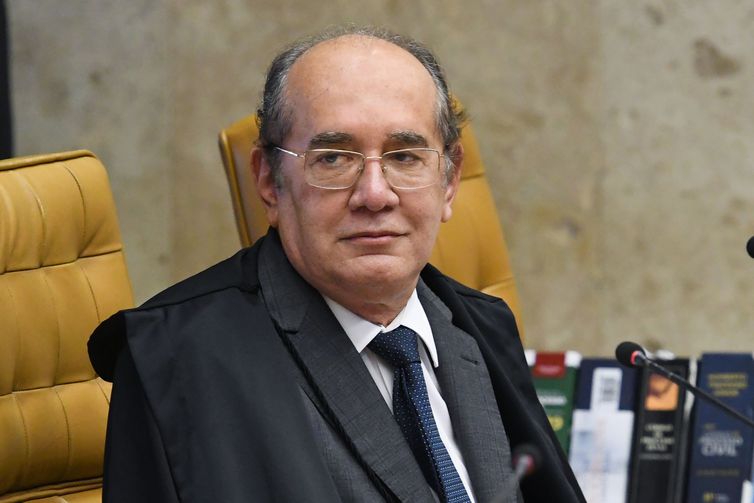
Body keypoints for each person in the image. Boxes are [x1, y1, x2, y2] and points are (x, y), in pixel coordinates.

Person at [88, 26, 585, 503]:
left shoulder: (480, 326)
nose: (375, 194)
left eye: (405, 157)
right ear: (269, 181)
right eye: (333, 158)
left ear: (449, 182)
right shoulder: (175, 360)